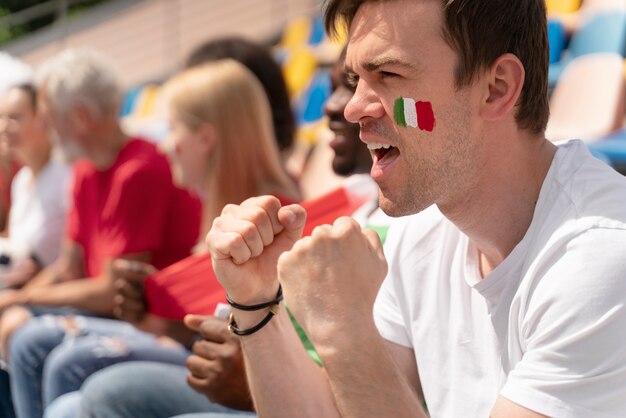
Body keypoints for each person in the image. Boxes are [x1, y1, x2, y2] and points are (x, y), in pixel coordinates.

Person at [205, 0, 626, 417]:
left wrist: (344, 332)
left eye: (388, 74)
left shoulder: (601, 259)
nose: (352, 108)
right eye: (356, 78)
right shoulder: (424, 227)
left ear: (496, 88)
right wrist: (256, 300)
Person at [44, 46, 388, 418]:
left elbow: (286, 348)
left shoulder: (276, 221)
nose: (163, 143)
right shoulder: (226, 212)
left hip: (286, 396)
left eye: (172, 128)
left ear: (206, 138)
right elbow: (224, 339)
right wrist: (162, 319)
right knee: (70, 403)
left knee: (87, 381)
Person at [0, 48, 202, 418]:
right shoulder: (85, 169)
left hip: (156, 323)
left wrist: (22, 298)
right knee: (18, 327)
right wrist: (18, 299)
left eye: (48, 117)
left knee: (31, 339)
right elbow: (69, 265)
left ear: (78, 117)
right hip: (121, 314)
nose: (45, 126)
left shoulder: (139, 170)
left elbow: (112, 291)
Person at [0, 84, 71, 290]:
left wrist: (41, 276)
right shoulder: (21, 181)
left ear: (43, 119)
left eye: (14, 117)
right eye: (1, 117)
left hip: (53, 300)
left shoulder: (67, 174)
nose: (3, 126)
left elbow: (80, 258)